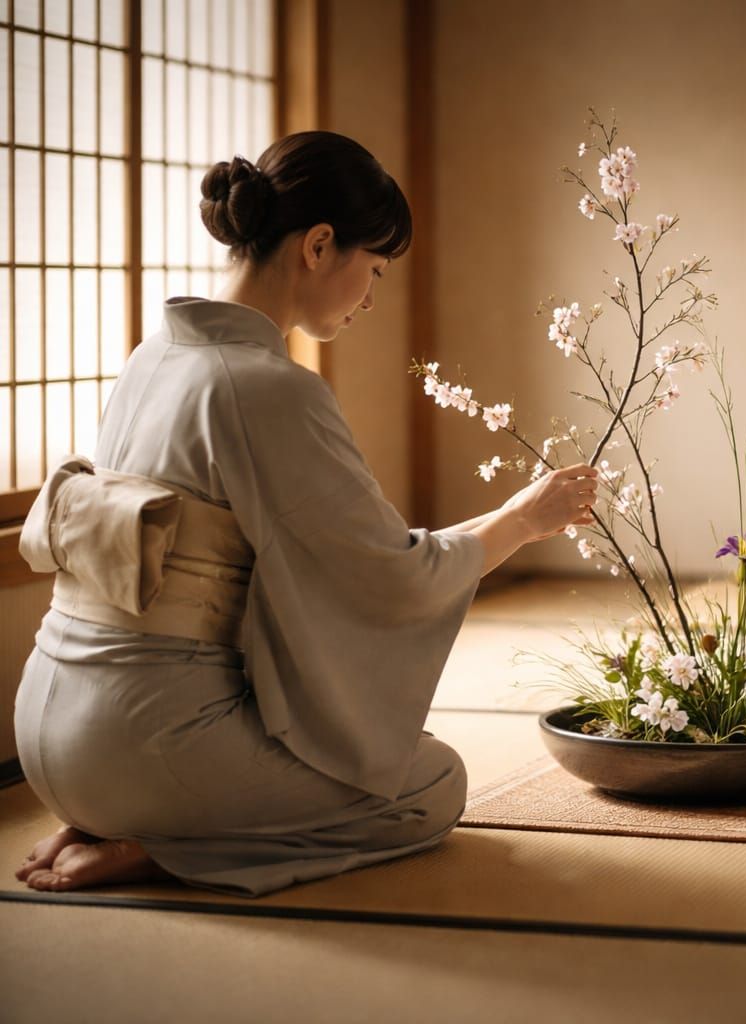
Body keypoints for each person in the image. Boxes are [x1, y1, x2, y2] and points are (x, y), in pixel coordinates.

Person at [12, 131, 598, 897]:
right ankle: (159, 849)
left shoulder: (151, 358)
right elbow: (391, 579)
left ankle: (124, 816)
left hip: (44, 735)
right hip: (144, 745)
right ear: (320, 246)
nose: (371, 296)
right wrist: (525, 517)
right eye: (374, 269)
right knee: (432, 785)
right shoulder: (266, 389)